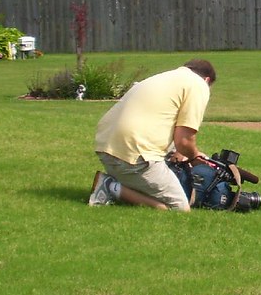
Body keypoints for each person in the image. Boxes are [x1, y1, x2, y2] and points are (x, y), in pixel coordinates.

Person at [89, 59, 216, 211]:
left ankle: (122, 184)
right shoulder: (198, 85)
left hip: (107, 147)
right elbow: (184, 140)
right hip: (133, 157)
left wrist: (178, 152)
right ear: (207, 80)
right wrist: (196, 158)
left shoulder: (164, 78)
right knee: (179, 208)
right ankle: (111, 187)